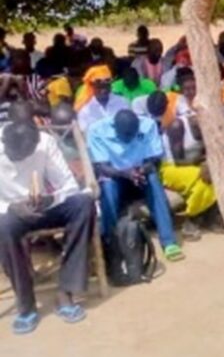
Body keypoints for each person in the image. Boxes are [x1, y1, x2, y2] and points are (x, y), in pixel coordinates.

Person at [0, 117, 95, 335]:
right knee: (3, 226)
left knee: (83, 204)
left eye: (26, 156)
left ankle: (66, 290)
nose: (21, 161)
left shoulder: (44, 143)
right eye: (16, 156)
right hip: (10, 213)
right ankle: (26, 304)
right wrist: (10, 207)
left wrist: (50, 199)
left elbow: (68, 185)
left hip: (43, 205)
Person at [88, 109, 184, 262]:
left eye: (133, 135)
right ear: (115, 128)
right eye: (125, 136)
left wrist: (142, 170)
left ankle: (168, 241)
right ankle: (110, 243)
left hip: (141, 174)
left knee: (153, 179)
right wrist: (125, 174)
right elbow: (101, 168)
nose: (130, 139)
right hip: (115, 177)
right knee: (108, 188)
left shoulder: (148, 126)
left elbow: (154, 160)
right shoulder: (97, 130)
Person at [141, 91, 216, 240]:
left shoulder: (196, 125)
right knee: (202, 178)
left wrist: (208, 162)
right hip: (169, 167)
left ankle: (201, 218)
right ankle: (191, 221)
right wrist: (204, 163)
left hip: (187, 165)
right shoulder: (174, 125)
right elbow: (178, 161)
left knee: (209, 179)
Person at [75, 65, 129, 133]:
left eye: (106, 86)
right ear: (92, 87)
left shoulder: (122, 102)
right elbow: (86, 133)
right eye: (99, 87)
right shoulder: (85, 111)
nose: (103, 91)